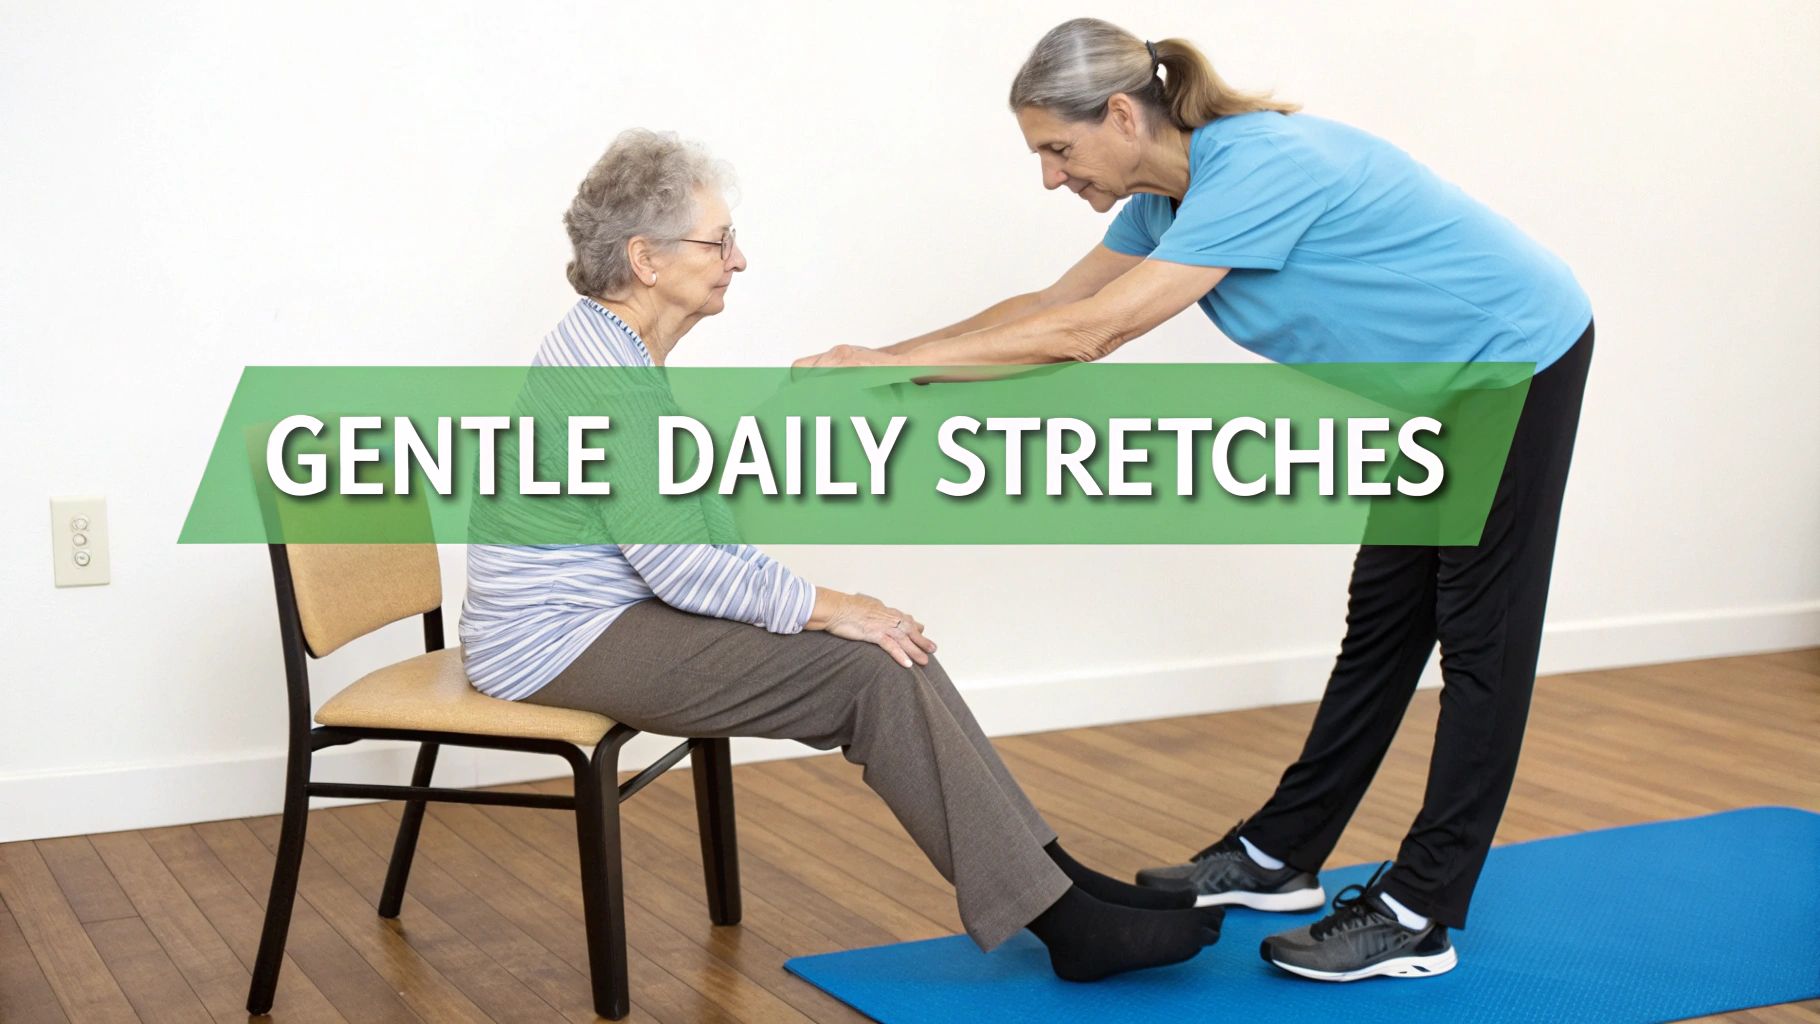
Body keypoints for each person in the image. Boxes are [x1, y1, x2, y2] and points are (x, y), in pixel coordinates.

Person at [795, 18, 1594, 983]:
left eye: (1057, 148)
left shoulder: (1254, 168)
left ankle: (1422, 908)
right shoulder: (1163, 206)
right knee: (1383, 622)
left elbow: (1094, 332)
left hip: (1510, 361)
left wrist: (896, 369)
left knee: (1481, 641)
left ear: (1123, 115)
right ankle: (1277, 857)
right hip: (1436, 391)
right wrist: (885, 364)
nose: (1051, 177)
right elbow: (1052, 308)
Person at [458, 128, 1223, 983]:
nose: (737, 260)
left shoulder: (615, 352)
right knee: (870, 667)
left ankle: (1057, 881)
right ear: (645, 257)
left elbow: (682, 521)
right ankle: (1065, 920)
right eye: (718, 242)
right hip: (559, 642)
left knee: (893, 649)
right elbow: (680, 565)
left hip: (599, 618)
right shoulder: (606, 377)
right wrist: (835, 605)